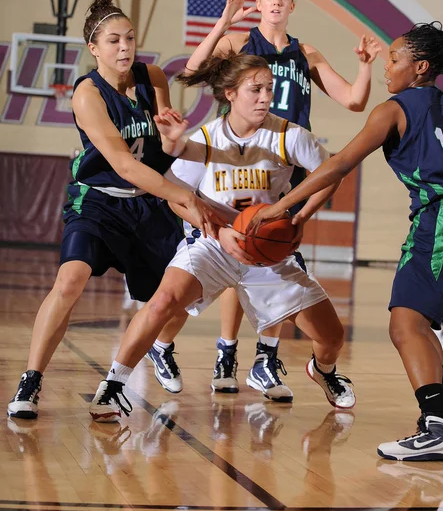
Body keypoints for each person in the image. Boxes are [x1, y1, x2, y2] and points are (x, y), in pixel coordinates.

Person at [145, 0, 381, 402]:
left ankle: (260, 358)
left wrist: (365, 67)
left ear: (293, 5)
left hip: (283, 161)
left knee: (265, 253)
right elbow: (192, 72)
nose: (275, 2)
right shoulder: (240, 45)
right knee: (226, 267)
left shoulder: (304, 52)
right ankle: (199, 349)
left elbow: (352, 100)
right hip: (231, 160)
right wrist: (224, 22)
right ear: (259, 2)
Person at [88, 52, 356, 423]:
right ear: (230, 94)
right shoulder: (204, 138)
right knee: (163, 299)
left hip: (267, 252)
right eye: (256, 89)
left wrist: (301, 217)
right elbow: (178, 199)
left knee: (331, 337)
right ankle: (113, 386)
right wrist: (221, 231)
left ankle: (324, 371)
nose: (266, 97)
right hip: (213, 244)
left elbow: (331, 173)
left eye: (270, 89)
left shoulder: (287, 134)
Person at [7, 0, 222, 420]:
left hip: (149, 204)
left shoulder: (153, 77)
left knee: (182, 296)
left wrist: (175, 138)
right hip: (100, 202)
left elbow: (165, 147)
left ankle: (160, 346)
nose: (124, 47)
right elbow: (123, 165)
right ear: (94, 48)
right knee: (70, 282)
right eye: (113, 41)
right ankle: (30, 381)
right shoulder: (88, 94)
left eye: (129, 38)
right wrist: (184, 196)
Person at [248, 22, 443, 461]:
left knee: (406, 322)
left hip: (438, 219)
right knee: (423, 323)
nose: (388, 67)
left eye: (395, 60)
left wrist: (283, 208)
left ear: (421, 68)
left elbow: (338, 165)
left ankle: (436, 426)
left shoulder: (393, 110)